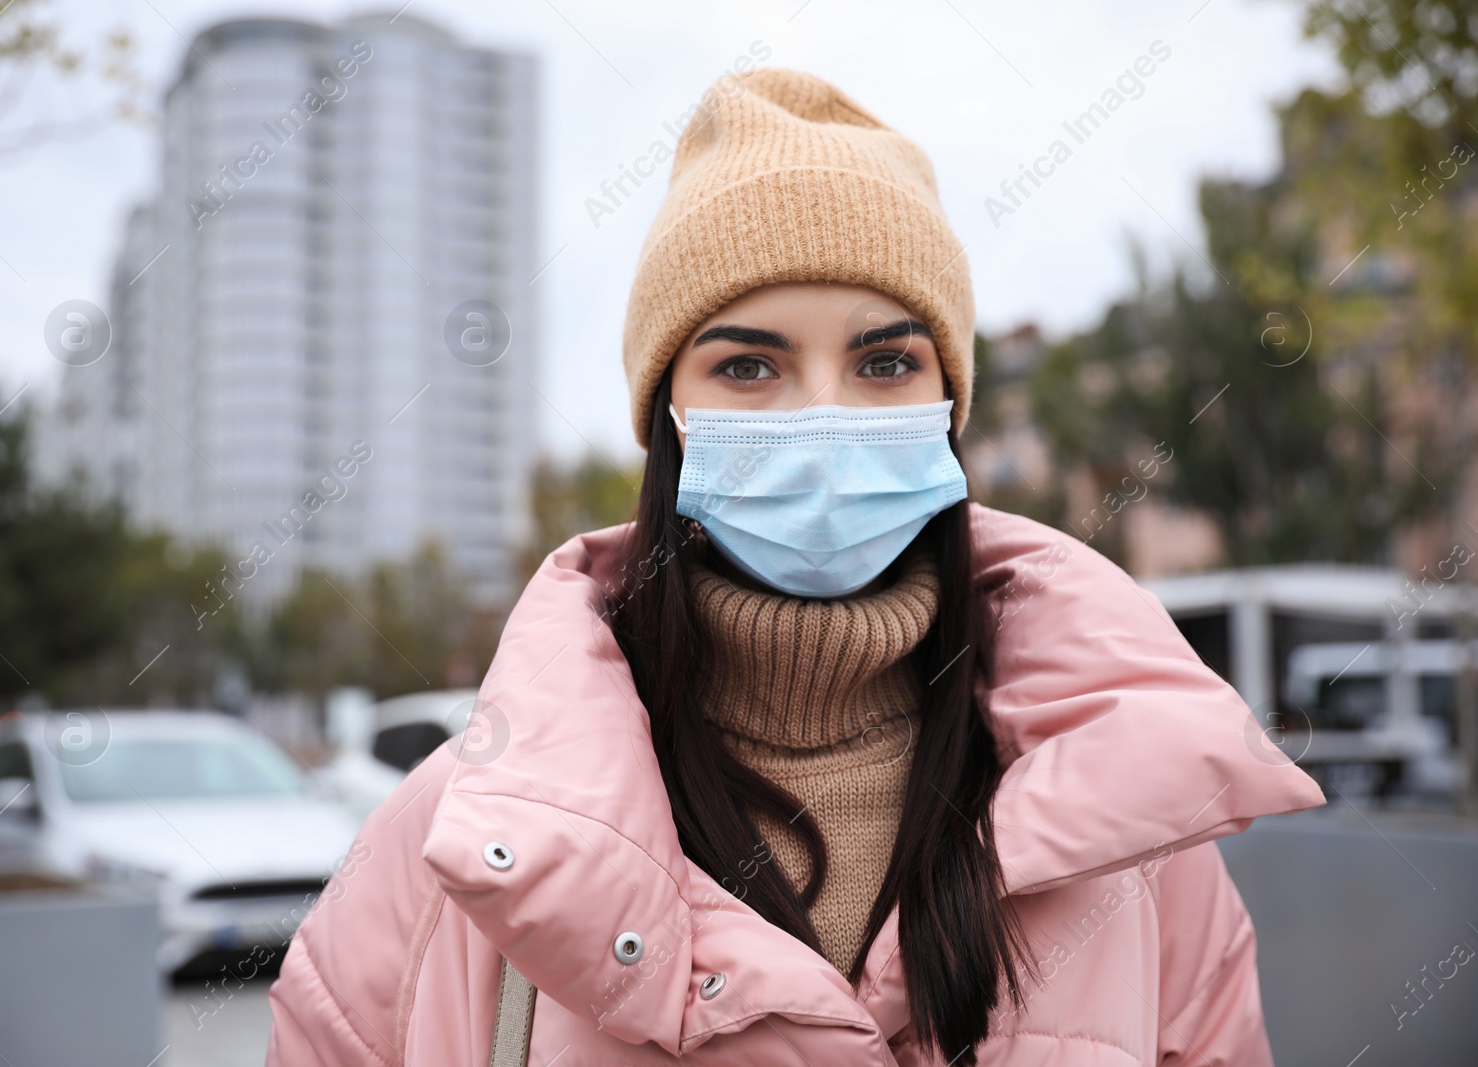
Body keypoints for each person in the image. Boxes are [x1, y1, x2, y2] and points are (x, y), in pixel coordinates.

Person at [266, 68, 1325, 1067]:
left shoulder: (1132, 835)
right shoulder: (463, 839)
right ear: (667, 421)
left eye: (883, 361)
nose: (822, 414)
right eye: (747, 364)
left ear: (946, 409)